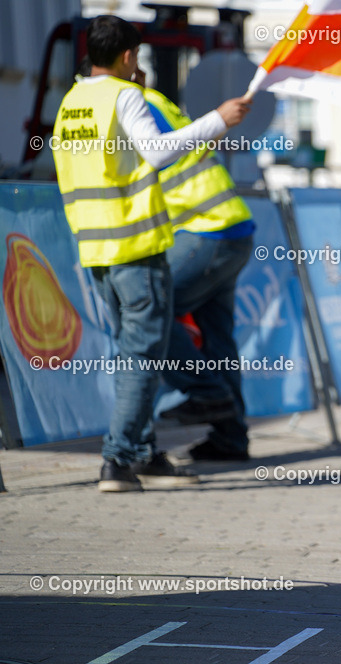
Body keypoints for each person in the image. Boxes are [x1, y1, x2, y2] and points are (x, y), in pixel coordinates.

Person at [52, 15, 249, 492]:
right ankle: (119, 458)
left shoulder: (72, 102)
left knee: (132, 354)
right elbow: (157, 151)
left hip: (96, 249)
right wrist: (216, 121)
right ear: (126, 57)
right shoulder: (125, 95)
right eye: (136, 55)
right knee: (142, 355)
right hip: (136, 245)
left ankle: (141, 452)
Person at [142, 85, 255, 462]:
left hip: (205, 230)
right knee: (218, 337)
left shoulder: (133, 105)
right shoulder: (159, 102)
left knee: (153, 311)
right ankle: (230, 438)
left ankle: (206, 393)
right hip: (229, 227)